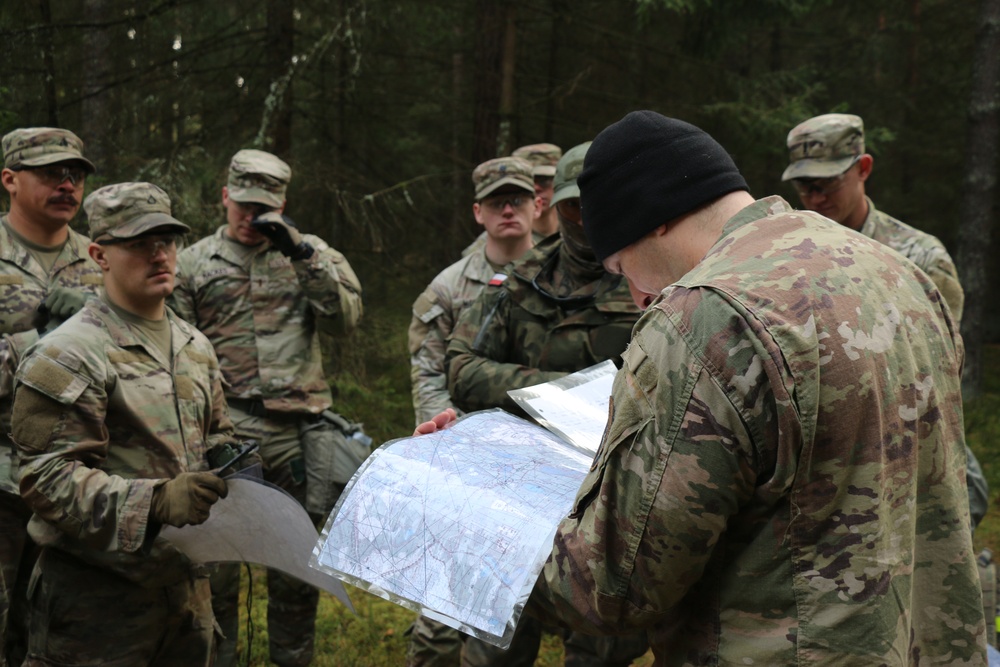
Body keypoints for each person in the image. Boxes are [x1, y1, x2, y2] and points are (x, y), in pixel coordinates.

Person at [506, 110, 980, 663]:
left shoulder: (704, 320)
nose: (636, 295)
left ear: (653, 218)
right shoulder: (898, 271)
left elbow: (614, 587)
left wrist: (465, 527)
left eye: (620, 265)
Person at [10, 181, 234, 667]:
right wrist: (154, 502)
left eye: (167, 241)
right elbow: (44, 478)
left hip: (186, 596)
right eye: (139, 243)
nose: (159, 255)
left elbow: (215, 433)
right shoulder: (67, 352)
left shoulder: (194, 344)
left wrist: (234, 464)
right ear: (99, 254)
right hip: (97, 603)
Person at [446, 142, 648, 666]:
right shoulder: (519, 281)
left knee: (600, 649)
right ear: (553, 206)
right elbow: (462, 369)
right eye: (572, 206)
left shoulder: (649, 282)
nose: (584, 218)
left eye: (593, 203)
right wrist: (563, 391)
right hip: (517, 488)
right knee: (495, 639)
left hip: (608, 491)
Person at [170, 148, 365, 667]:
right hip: (223, 429)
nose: (252, 218)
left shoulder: (309, 253)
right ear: (225, 196)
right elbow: (177, 350)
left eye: (264, 208)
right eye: (243, 205)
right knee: (219, 570)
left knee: (299, 568)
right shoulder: (191, 263)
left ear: (281, 203)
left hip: (299, 432)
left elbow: (344, 317)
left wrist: (300, 253)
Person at [782, 113, 989, 527]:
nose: (815, 197)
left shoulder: (920, 258)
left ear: (863, 168)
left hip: (902, 436)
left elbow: (937, 370)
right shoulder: (788, 258)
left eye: (827, 183)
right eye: (805, 186)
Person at [0, 127, 102, 667]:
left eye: (76, 174)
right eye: (51, 173)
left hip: (80, 479)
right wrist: (36, 347)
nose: (67, 183)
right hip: (1, 476)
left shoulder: (102, 259)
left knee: (62, 632)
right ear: (10, 180)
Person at [408, 156, 538, 427]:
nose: (507, 211)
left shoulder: (567, 278)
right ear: (478, 212)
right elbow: (429, 377)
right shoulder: (448, 287)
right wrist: (459, 433)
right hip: (470, 435)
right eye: (495, 203)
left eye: (517, 201)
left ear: (536, 206)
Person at [462, 143, 562, 257]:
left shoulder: (574, 229)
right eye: (530, 182)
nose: (537, 187)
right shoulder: (494, 245)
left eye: (545, 180)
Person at [512, 143, 562, 239]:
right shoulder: (506, 240)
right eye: (528, 182)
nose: (536, 188)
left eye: (544, 180)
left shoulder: (576, 226)